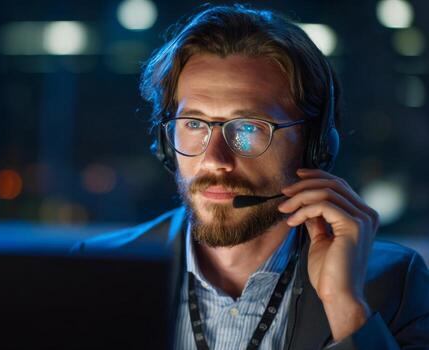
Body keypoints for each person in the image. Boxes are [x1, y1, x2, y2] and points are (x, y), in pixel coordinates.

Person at [72, 4, 429, 349]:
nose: (215, 160)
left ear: (314, 147)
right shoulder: (94, 272)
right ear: (166, 144)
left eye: (247, 128)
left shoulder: (394, 283)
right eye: (194, 124)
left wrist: (346, 309)